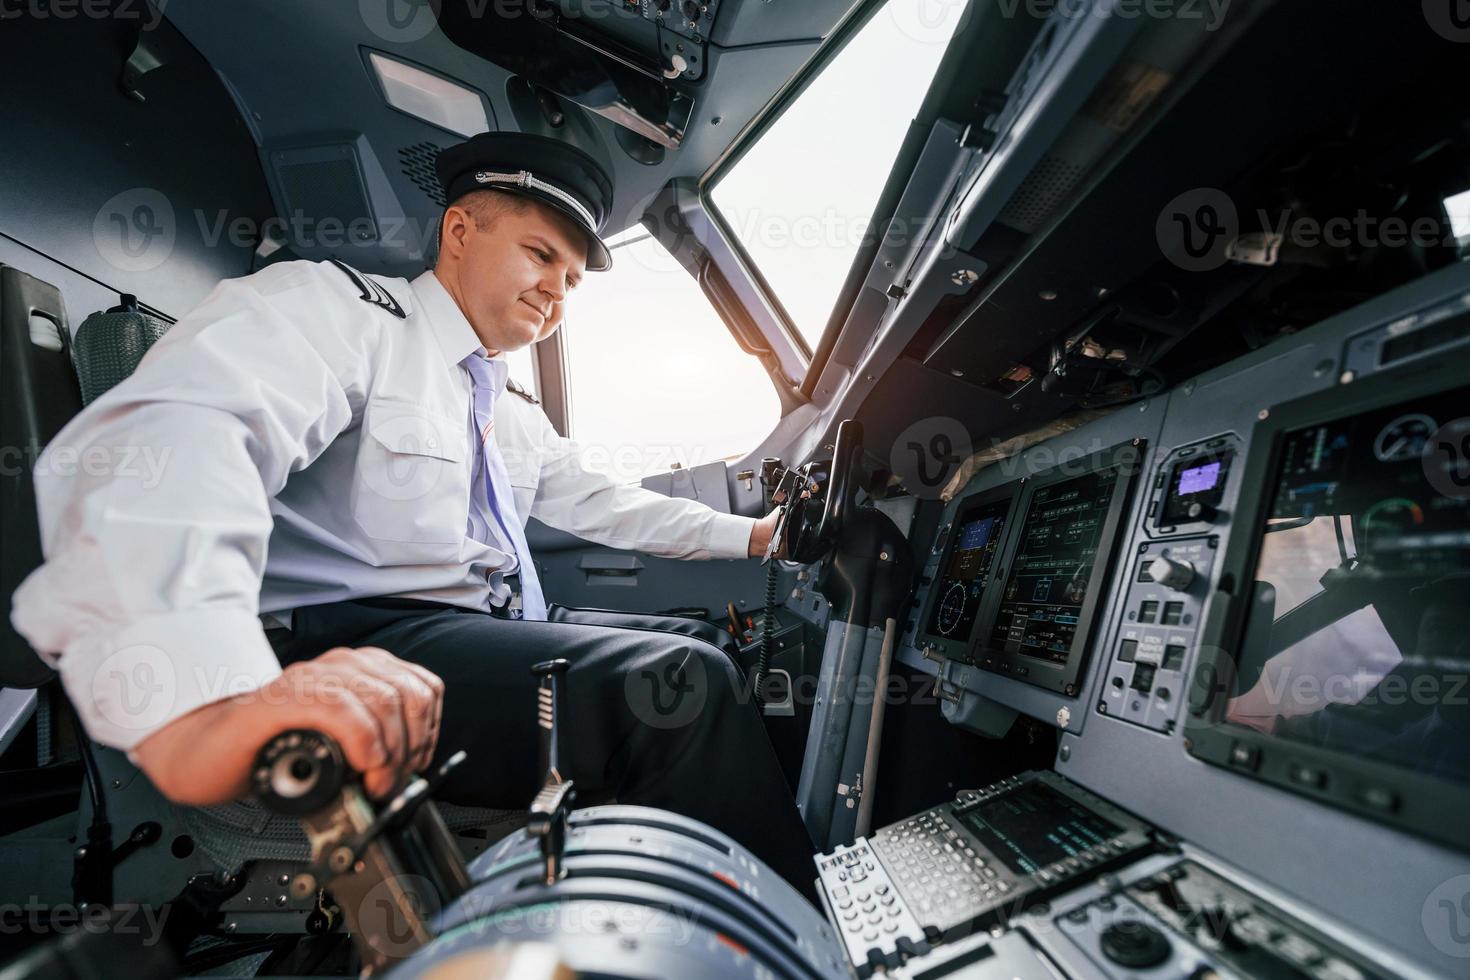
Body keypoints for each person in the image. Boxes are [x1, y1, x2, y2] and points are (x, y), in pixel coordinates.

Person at [11, 132, 814, 891]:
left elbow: (604, 506)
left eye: (571, 280)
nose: (555, 291)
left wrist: (752, 536)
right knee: (684, 683)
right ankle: (784, 945)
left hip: (480, 632)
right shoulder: (340, 313)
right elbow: (183, 436)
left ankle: (669, 901)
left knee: (707, 644)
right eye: (540, 255)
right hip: (359, 639)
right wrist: (204, 692)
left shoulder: (506, 400)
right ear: (459, 231)